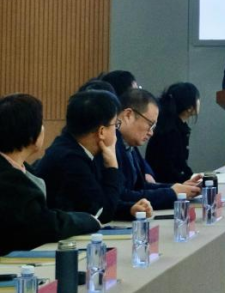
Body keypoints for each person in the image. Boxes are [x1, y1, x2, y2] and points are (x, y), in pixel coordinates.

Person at [0, 94, 100, 256]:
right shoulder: (8, 180)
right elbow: (45, 224)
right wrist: (89, 220)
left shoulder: (21, 170)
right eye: (41, 124)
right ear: (30, 134)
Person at [34, 90, 152, 223]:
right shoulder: (70, 160)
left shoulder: (79, 149)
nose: (116, 131)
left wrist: (129, 210)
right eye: (115, 125)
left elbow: (95, 201)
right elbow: (100, 213)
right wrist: (112, 168)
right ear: (101, 132)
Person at [115, 88, 201, 210]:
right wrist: (172, 193)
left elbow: (140, 187)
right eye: (150, 124)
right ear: (128, 115)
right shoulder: (111, 145)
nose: (151, 133)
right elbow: (123, 195)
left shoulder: (129, 144)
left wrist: (177, 188)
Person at [146, 83, 200, 185]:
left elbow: (181, 164)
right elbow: (169, 170)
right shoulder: (170, 131)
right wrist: (186, 182)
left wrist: (191, 177)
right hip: (165, 186)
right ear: (189, 107)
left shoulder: (176, 126)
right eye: (197, 98)